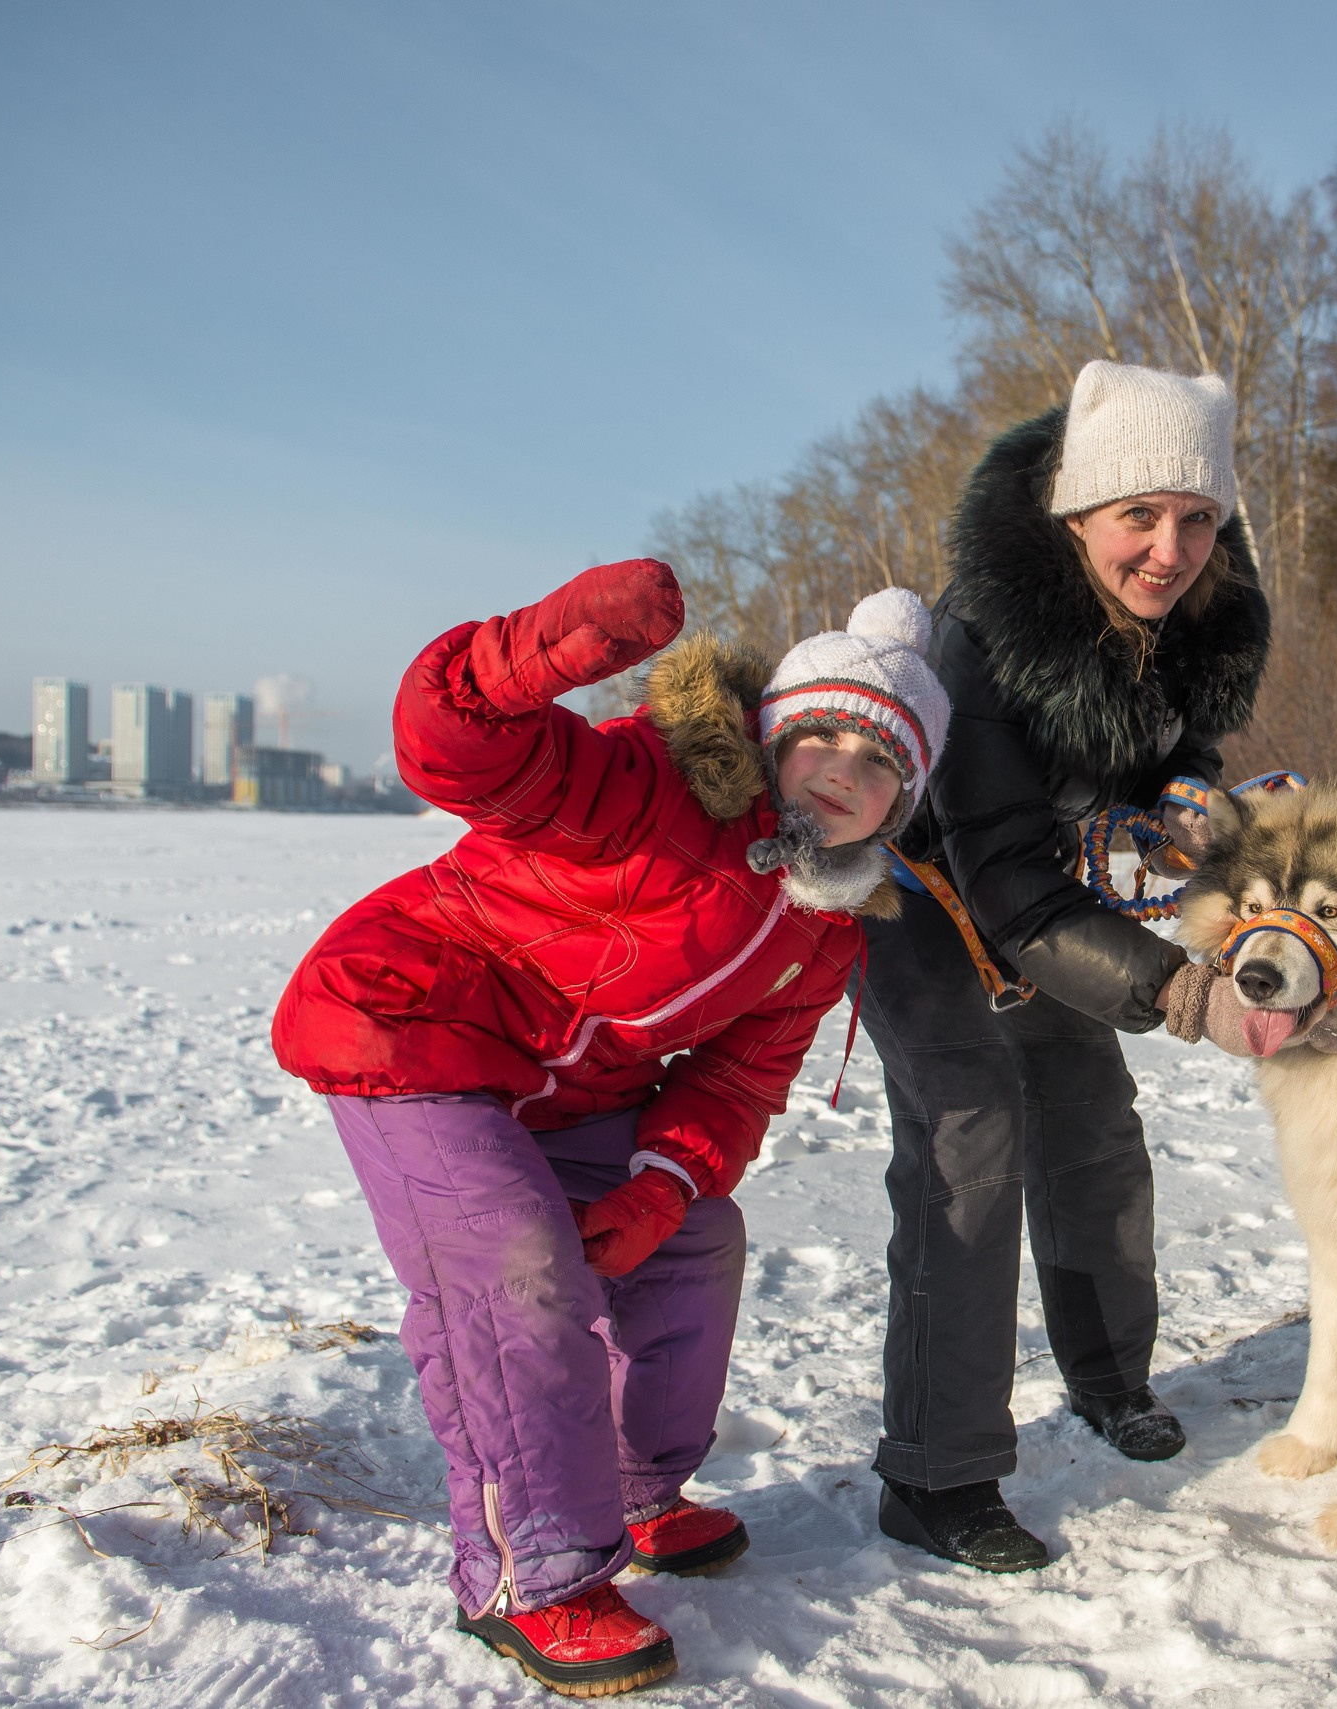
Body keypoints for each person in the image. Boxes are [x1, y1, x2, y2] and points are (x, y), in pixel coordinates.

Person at [270, 562, 949, 1697]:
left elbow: (736, 1081)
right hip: (408, 1023)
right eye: (823, 735)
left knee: (696, 1238)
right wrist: (553, 643)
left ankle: (636, 1487)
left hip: (563, 1086)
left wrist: (658, 1186)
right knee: (511, 1261)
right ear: (773, 735)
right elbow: (457, 747)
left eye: (880, 760)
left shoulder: (823, 931)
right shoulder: (649, 783)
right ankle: (531, 1570)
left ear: (903, 798)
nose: (843, 770)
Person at [855, 360, 1271, 1572]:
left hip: (1043, 895)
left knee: (1091, 1121)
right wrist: (1182, 991)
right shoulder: (981, 635)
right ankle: (935, 1476)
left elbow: (1157, 744)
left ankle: (1109, 1378)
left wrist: (1184, 789)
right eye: (1138, 514)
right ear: (1076, 512)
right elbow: (999, 878)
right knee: (970, 1145)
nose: (1169, 547)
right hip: (925, 899)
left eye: (1196, 518)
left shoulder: (1182, 618)